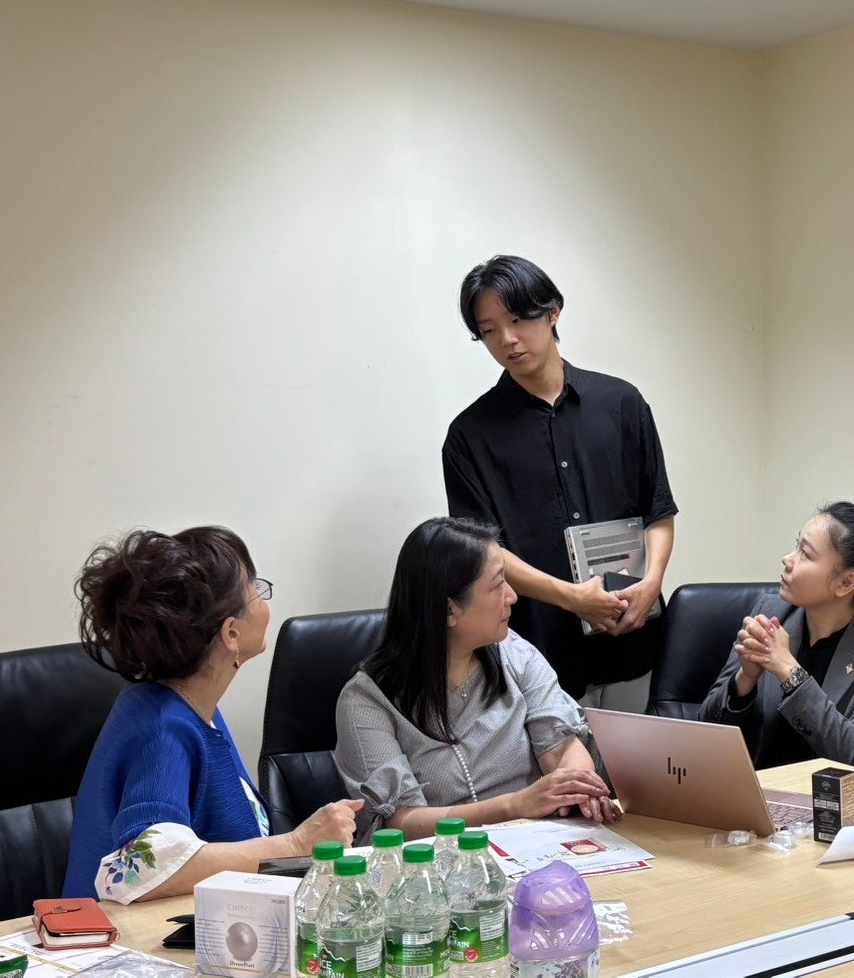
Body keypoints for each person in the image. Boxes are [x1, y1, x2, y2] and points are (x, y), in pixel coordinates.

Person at [64, 526, 360, 902]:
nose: (264, 600)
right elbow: (137, 868)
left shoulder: (192, 707)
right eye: (255, 588)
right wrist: (297, 843)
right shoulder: (162, 728)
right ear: (231, 634)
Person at [441, 255, 677, 708]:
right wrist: (572, 598)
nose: (507, 340)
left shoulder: (622, 403)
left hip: (632, 635)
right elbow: (484, 551)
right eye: (489, 330)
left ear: (553, 312)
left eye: (517, 320)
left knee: (638, 755)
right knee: (562, 759)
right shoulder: (469, 436)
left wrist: (652, 583)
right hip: (538, 654)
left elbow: (659, 511)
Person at [334, 517, 620, 839]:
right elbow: (400, 824)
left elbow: (561, 747)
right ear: (449, 611)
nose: (512, 596)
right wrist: (513, 806)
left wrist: (577, 786)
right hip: (443, 861)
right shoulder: (366, 701)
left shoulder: (515, 653)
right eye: (498, 585)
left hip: (539, 844)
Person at [697, 502, 854, 790]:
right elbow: (706, 730)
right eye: (796, 545)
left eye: (805, 554)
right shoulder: (771, 613)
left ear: (846, 583)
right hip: (758, 796)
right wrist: (745, 679)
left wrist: (789, 670)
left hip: (839, 809)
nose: (788, 559)